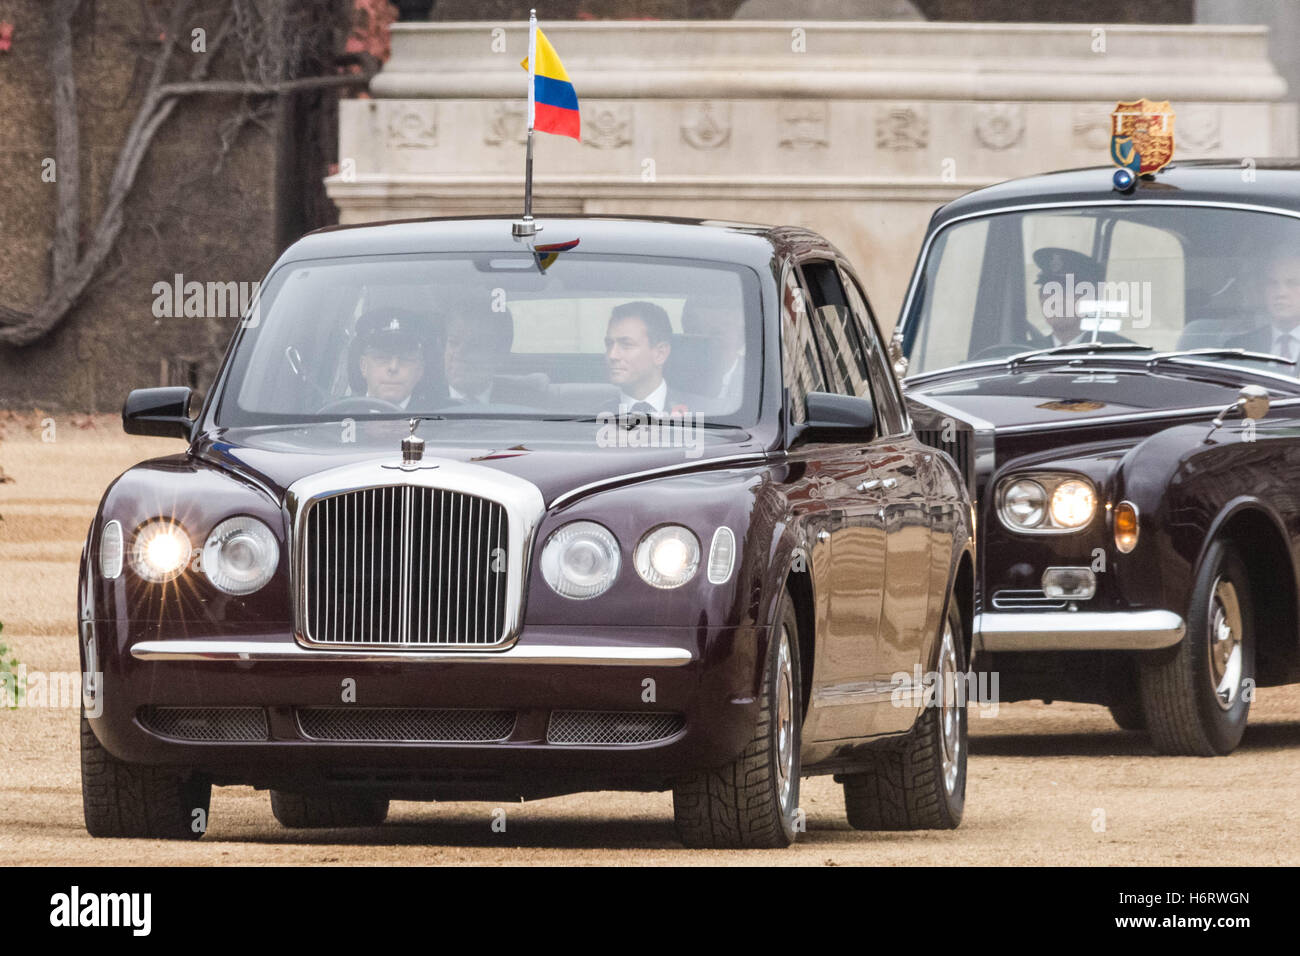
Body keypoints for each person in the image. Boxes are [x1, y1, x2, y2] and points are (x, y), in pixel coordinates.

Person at [604, 300, 702, 414]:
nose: (612, 355)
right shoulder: (590, 417)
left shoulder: (703, 412)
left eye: (627, 345)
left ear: (660, 354)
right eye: (609, 344)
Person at [1028, 247, 1131, 348]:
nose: (1055, 301)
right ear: (1040, 298)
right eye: (1049, 291)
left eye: (1067, 292)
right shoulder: (1026, 354)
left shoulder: (1118, 351)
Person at [349, 308, 434, 408]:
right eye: (382, 358)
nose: (393, 367)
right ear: (363, 366)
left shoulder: (439, 420)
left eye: (405, 359)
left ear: (420, 370)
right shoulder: (337, 417)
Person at [1226, 252, 1300, 362]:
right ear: (1262, 291)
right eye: (1272, 283)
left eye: (1292, 283)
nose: (1281, 292)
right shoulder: (1239, 348)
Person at [680, 292, 745, 408]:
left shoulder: (759, 381)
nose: (710, 341)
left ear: (741, 335)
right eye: (699, 331)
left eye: (717, 333)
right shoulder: (670, 378)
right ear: (688, 334)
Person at [437, 308, 514, 405]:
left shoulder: (524, 404)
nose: (459, 353)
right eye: (453, 342)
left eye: (474, 345)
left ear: (501, 354)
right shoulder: (418, 405)